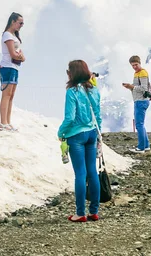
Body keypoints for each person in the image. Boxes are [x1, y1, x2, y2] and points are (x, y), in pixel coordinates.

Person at [58, 60, 102, 223]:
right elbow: (97, 114)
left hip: (76, 135)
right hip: (91, 133)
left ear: (72, 73)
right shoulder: (94, 90)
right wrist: (98, 133)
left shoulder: (72, 91)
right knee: (92, 172)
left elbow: (69, 117)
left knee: (80, 174)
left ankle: (80, 213)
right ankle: (94, 212)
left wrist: (61, 132)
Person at [0, 12, 25, 131]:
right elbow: (13, 53)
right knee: (6, 95)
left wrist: (20, 56)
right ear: (13, 21)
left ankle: (8, 122)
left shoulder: (14, 36)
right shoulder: (7, 35)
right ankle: (3, 122)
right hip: (8, 66)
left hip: (14, 66)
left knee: (11, 95)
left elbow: (21, 55)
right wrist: (19, 56)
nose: (21, 25)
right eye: (20, 23)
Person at [123, 55, 151, 153]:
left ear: (139, 63)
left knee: (139, 124)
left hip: (141, 100)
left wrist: (132, 87)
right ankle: (146, 145)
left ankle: (141, 147)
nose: (134, 67)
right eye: (132, 65)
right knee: (141, 124)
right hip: (139, 100)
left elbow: (143, 88)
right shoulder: (137, 73)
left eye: (136, 64)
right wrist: (130, 87)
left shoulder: (142, 73)